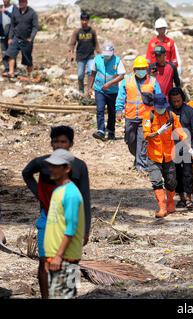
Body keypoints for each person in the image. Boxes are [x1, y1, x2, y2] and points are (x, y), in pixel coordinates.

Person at [22, 126, 91, 299]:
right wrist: (39, 194)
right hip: (48, 218)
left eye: (63, 141)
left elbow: (85, 198)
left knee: (68, 266)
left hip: (68, 220)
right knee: (44, 263)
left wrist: (86, 229)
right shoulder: (42, 163)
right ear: (51, 143)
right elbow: (26, 173)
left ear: (71, 144)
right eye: (56, 141)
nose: (60, 144)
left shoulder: (78, 169)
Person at [143, 93, 193, 218]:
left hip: (168, 155)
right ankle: (162, 208)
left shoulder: (171, 116)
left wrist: (190, 149)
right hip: (154, 155)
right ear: (154, 106)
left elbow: (181, 133)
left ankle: (170, 203)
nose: (161, 109)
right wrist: (157, 132)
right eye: (158, 107)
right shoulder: (148, 116)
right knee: (156, 181)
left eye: (163, 107)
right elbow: (146, 135)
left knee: (171, 182)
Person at [43, 149, 85, 299]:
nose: (51, 169)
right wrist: (51, 257)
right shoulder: (58, 191)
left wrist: (58, 256)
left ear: (66, 168)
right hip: (57, 259)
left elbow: (71, 228)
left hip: (65, 260)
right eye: (51, 165)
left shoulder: (71, 194)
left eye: (56, 166)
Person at [116, 55, 162, 172]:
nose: (141, 71)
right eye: (139, 69)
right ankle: (137, 158)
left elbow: (160, 99)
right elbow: (121, 97)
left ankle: (141, 166)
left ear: (146, 69)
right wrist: (118, 110)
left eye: (143, 68)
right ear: (134, 70)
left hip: (145, 117)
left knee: (143, 140)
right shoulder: (127, 80)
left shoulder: (152, 81)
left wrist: (160, 113)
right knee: (130, 141)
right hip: (130, 116)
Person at [168, 87, 193, 209]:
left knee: (187, 173)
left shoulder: (190, 111)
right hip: (172, 148)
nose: (176, 103)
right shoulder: (167, 112)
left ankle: (189, 198)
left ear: (183, 99)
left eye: (178, 101)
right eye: (174, 101)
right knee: (176, 174)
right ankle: (181, 197)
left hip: (187, 148)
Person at [89, 42, 126, 141]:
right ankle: (101, 131)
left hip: (112, 91)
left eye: (108, 56)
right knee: (100, 109)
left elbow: (121, 75)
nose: (107, 57)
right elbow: (92, 73)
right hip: (99, 89)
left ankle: (111, 131)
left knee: (112, 111)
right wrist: (89, 88)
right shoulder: (97, 59)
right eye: (105, 55)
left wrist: (109, 84)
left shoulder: (117, 60)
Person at [5, 0, 38, 80]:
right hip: (16, 37)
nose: (20, 3)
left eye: (22, 2)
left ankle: (29, 75)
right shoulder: (15, 12)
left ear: (26, 3)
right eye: (20, 2)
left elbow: (35, 27)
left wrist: (31, 37)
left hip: (27, 39)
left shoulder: (32, 13)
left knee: (27, 58)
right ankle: (11, 72)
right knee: (10, 53)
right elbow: (12, 26)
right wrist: (10, 37)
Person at [68, 12, 100, 94]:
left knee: (90, 72)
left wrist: (100, 54)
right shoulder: (77, 31)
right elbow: (72, 43)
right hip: (80, 56)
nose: (84, 22)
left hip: (90, 56)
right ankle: (81, 90)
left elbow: (96, 43)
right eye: (83, 20)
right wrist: (71, 54)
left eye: (86, 20)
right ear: (80, 20)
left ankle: (89, 89)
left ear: (88, 21)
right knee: (80, 75)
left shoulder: (92, 31)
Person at [0, 0, 16, 76]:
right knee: (4, 52)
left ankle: (13, 68)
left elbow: (15, 18)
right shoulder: (0, 7)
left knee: (11, 51)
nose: (5, 0)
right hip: (2, 32)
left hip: (11, 33)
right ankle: (7, 68)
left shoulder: (14, 7)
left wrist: (6, 12)